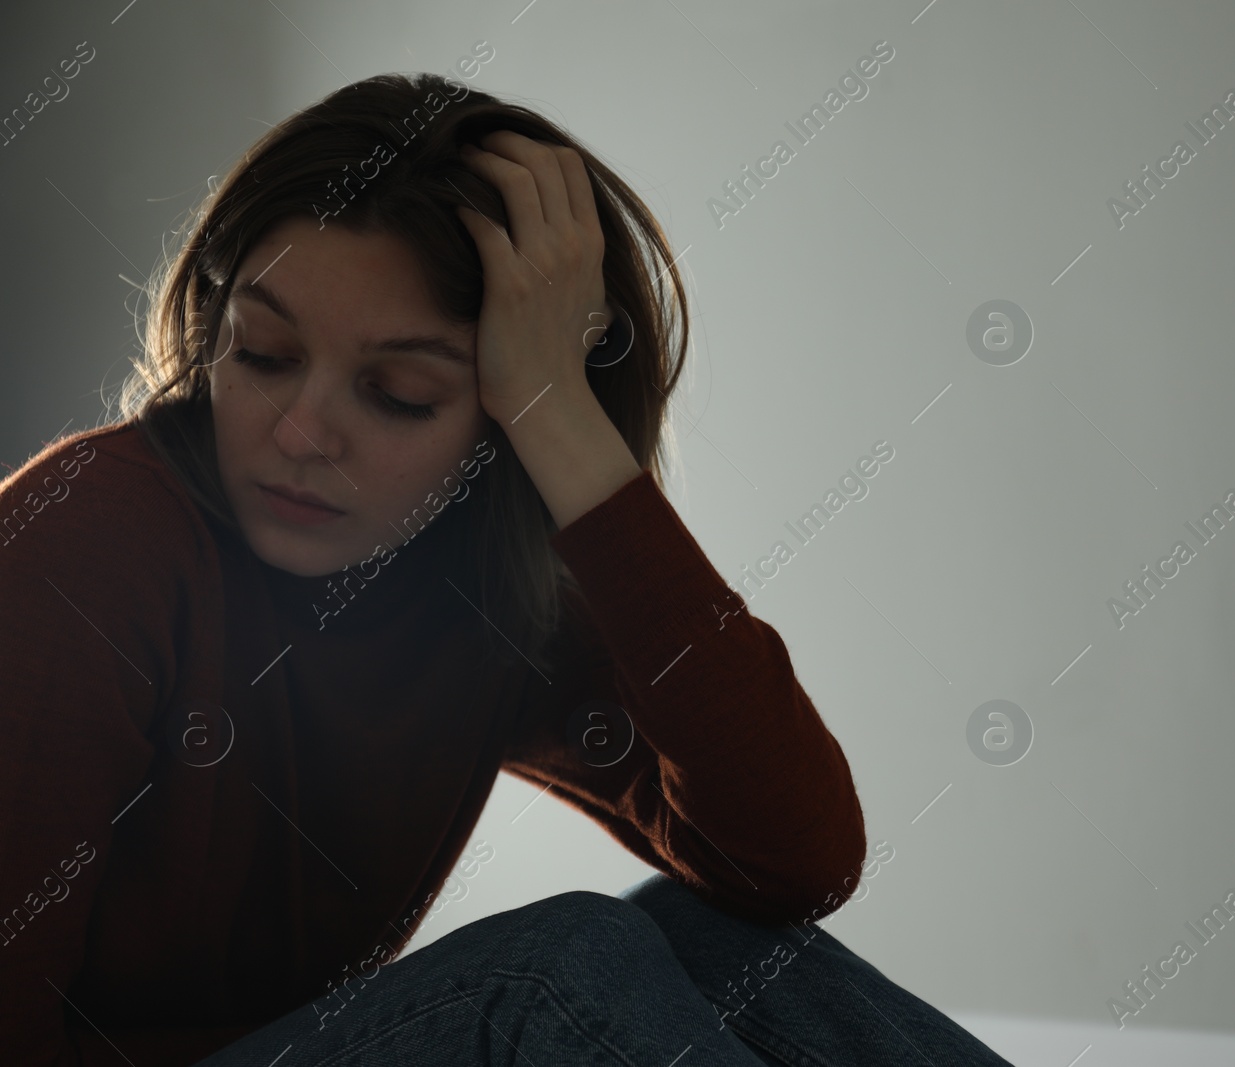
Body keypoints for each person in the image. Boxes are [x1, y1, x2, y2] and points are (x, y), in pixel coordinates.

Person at [0, 72, 1014, 1066]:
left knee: (716, 942)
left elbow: (791, 858)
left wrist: (559, 415)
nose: (301, 431)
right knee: (547, 972)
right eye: (261, 351)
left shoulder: (467, 572)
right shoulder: (83, 544)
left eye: (397, 392)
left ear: (498, 419)